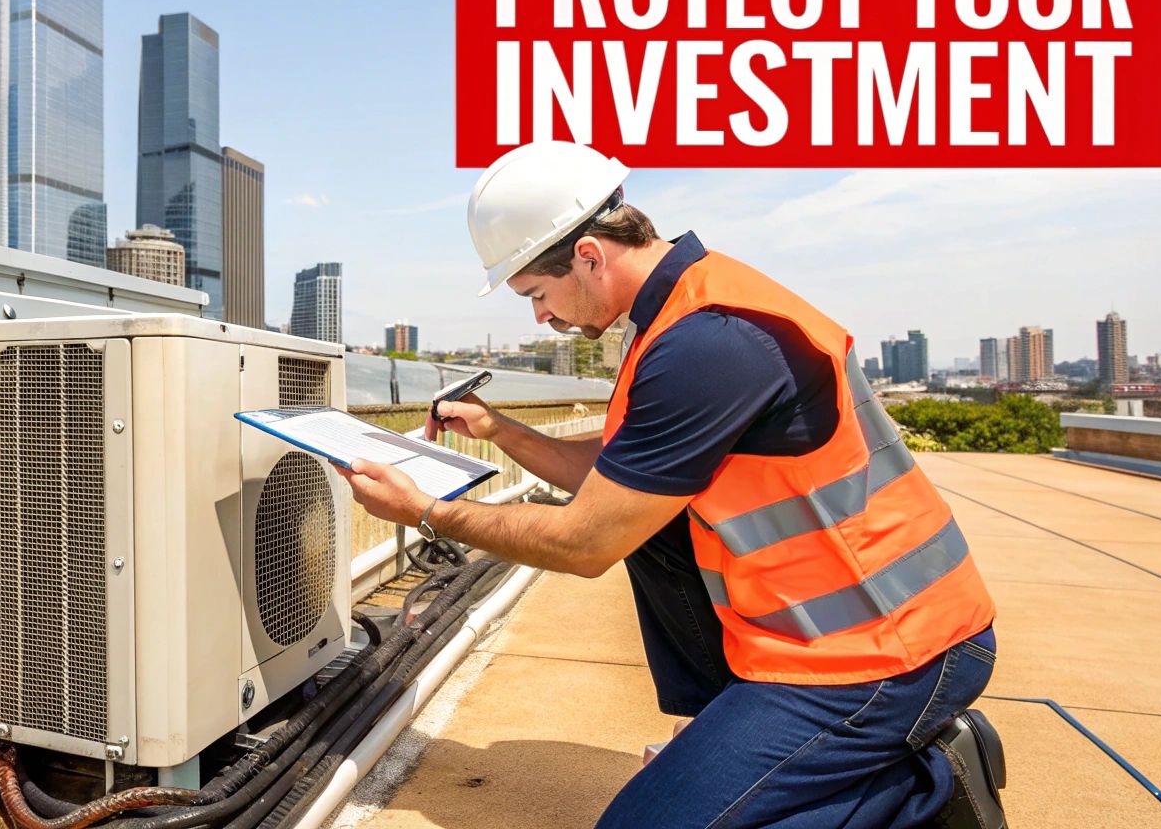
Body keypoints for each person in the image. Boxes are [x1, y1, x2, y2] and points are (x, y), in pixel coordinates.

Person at [337, 141, 1007, 828]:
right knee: (654, 534)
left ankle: (926, 787)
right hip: (815, 634)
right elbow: (622, 476)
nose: (541, 317)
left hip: (886, 654)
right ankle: (770, 744)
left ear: (591, 256)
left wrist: (425, 509)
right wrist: (502, 430)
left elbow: (585, 541)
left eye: (537, 293)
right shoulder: (682, 311)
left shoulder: (708, 343)